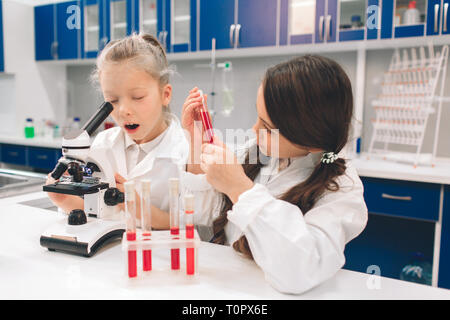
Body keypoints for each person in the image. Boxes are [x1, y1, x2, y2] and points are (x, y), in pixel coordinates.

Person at [181, 55, 368, 294]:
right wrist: (198, 144)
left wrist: (240, 188)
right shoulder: (256, 152)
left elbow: (301, 270)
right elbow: (202, 213)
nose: (254, 130)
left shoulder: (341, 187)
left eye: (267, 128)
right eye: (258, 118)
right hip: (230, 287)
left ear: (313, 140)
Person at [46, 33, 188, 228]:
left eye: (137, 97)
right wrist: (64, 200)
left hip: (161, 256)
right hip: (108, 255)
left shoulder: (187, 152)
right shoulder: (103, 144)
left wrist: (141, 209)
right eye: (112, 101)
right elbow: (96, 211)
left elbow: (196, 226)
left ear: (165, 95)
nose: (123, 110)